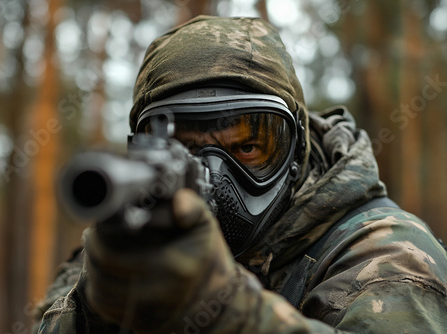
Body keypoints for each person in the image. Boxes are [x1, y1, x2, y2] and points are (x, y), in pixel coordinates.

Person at [34, 16, 447, 333]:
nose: (215, 176)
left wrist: (224, 311)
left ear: (297, 149)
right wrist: (97, 310)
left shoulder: (391, 257)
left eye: (248, 147)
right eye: (183, 149)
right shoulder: (125, 245)